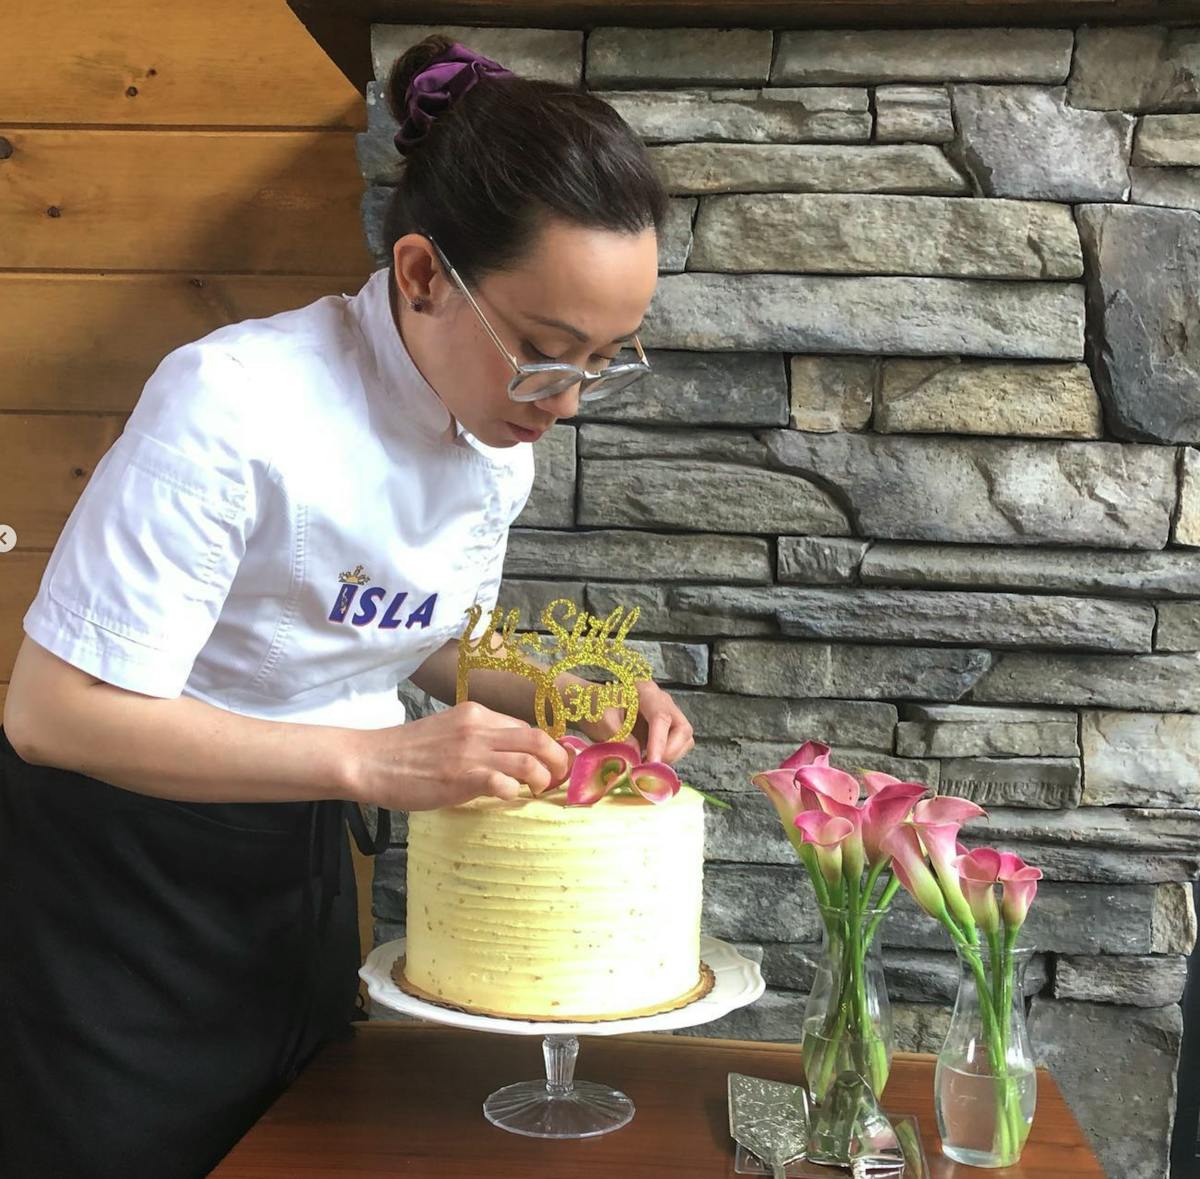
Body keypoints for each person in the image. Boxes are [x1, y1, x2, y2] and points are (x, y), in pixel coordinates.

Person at [0, 36, 693, 1178]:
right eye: (546, 353)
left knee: (298, 1144)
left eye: (606, 361)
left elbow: (423, 632)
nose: (567, 403)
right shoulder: (233, 405)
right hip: (116, 882)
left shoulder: (497, 437)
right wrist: (373, 762)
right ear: (421, 275)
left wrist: (565, 691)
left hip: (300, 863)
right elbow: (50, 713)